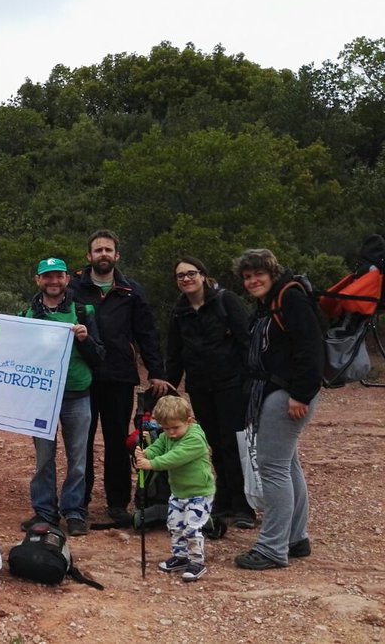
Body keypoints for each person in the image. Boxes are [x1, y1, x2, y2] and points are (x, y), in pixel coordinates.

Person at [69, 230, 169, 525]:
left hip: (119, 375)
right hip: (82, 376)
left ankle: (117, 502)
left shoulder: (131, 290)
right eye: (98, 250)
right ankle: (79, 501)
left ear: (116, 256)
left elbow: (147, 333)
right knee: (81, 442)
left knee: (117, 440)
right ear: (89, 256)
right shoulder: (73, 288)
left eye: (108, 250)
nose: (103, 254)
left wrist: (157, 372)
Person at [231, 249, 321, 570]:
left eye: (258, 274)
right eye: (247, 276)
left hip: (287, 394)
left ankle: (272, 548)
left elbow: (311, 347)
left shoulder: (290, 298)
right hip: (277, 391)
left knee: (273, 468)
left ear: (272, 272)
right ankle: (296, 538)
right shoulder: (270, 304)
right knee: (288, 464)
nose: (252, 280)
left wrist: (301, 394)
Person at [165, 256, 255, 529]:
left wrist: (250, 381)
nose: (186, 279)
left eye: (191, 273)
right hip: (200, 386)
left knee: (233, 443)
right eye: (180, 276)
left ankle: (244, 505)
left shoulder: (226, 301)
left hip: (231, 385)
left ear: (203, 275)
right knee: (213, 443)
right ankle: (224, 499)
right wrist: (170, 389)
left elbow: (245, 342)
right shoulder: (179, 311)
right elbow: (175, 353)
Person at [20, 257, 105, 537]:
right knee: (44, 457)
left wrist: (85, 339)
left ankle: (74, 512)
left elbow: (100, 355)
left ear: (67, 279)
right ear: (38, 280)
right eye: (47, 276)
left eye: (58, 276)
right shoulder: (29, 315)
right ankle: (45, 512)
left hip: (77, 392)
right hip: (41, 397)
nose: (53, 281)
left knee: (77, 457)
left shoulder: (83, 311)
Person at [134, 395, 216, 582]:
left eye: (175, 428)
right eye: (166, 428)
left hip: (199, 493)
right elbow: (159, 447)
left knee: (192, 528)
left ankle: (197, 562)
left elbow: (174, 457)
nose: (171, 433)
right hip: (178, 491)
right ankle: (180, 557)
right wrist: (146, 452)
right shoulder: (167, 435)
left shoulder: (195, 438)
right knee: (174, 525)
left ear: (188, 421)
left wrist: (151, 463)